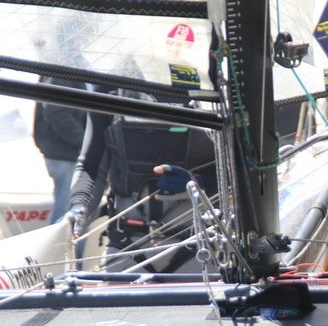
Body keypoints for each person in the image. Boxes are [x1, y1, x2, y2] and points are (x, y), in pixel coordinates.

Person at [68, 87, 217, 272]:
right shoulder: (108, 88)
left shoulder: (209, 88)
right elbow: (91, 167)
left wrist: (200, 183)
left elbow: (238, 169)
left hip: (196, 246)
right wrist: (79, 206)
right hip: (125, 246)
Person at [33, 77, 90, 224]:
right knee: (65, 214)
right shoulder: (63, 75)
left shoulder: (58, 74)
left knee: (66, 210)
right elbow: (57, 113)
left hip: (61, 151)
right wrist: (85, 142)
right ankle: (61, 239)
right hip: (64, 153)